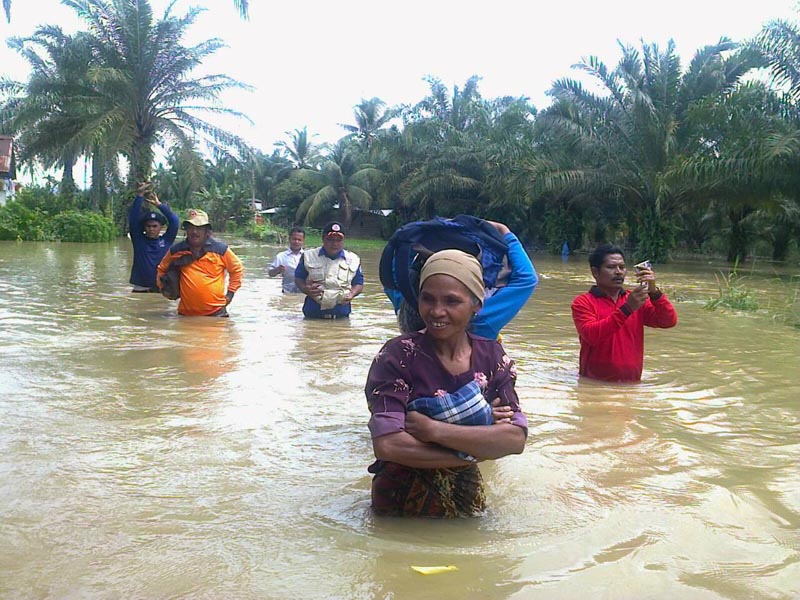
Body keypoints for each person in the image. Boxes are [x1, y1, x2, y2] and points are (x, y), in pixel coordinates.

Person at [365, 249, 527, 517]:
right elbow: (388, 445)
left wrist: (432, 429)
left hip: (466, 494)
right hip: (399, 503)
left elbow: (514, 439)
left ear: (477, 304)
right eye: (428, 299)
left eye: (452, 301)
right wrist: (477, 446)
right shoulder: (398, 355)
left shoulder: (493, 357)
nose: (437, 312)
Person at [382, 219, 537, 340]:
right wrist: (505, 232)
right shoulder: (480, 318)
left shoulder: (406, 301)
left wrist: (419, 231)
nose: (438, 312)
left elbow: (394, 271)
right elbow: (526, 279)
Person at [571, 243, 677, 382]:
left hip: (631, 385)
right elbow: (591, 335)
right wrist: (627, 309)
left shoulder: (635, 299)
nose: (619, 272)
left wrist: (655, 293)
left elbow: (668, 321)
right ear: (595, 272)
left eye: (622, 267)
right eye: (611, 267)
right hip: (594, 385)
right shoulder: (583, 302)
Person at [156, 208, 244, 317]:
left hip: (216, 315)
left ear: (206, 231)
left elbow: (237, 270)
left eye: (199, 228)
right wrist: (165, 289)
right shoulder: (176, 250)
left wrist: (230, 294)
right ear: (186, 230)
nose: (194, 232)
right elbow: (161, 269)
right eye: (191, 228)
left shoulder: (221, 250)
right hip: (185, 315)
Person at [294, 221, 363, 319]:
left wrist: (352, 293)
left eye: (338, 240)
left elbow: (359, 283)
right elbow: (298, 278)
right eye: (330, 239)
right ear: (323, 239)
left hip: (341, 318)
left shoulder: (353, 259)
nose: (334, 244)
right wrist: (306, 289)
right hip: (312, 317)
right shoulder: (308, 256)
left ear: (344, 241)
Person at [128, 183, 179, 292]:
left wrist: (159, 205)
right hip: (140, 289)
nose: (151, 229)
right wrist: (140, 195)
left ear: (161, 227)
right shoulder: (139, 240)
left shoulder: (166, 240)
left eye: (155, 226)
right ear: (144, 227)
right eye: (148, 226)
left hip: (161, 289)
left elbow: (174, 222)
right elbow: (133, 219)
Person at [268, 226, 305, 293]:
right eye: (294, 239)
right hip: (287, 293)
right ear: (289, 239)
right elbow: (270, 273)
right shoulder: (281, 256)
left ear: (303, 241)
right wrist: (277, 270)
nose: (296, 242)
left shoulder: (307, 256)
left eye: (299, 240)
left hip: (304, 293)